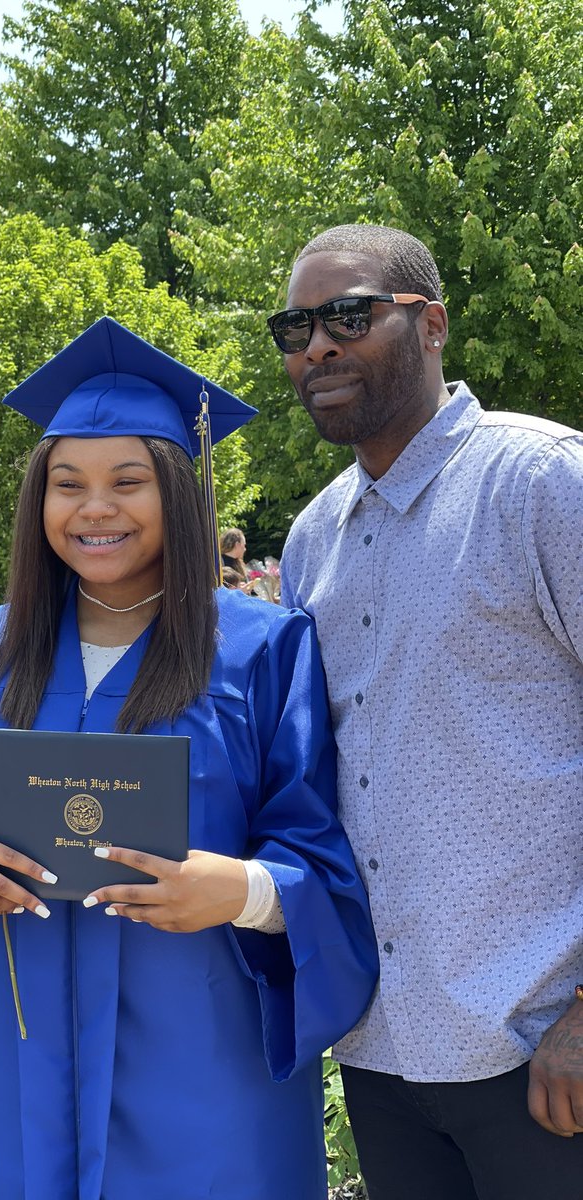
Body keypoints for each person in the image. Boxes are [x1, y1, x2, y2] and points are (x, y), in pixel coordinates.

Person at [0, 316, 378, 1200]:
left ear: (180, 496)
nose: (94, 508)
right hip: (27, 1045)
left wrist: (246, 890)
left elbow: (317, 851)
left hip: (205, 1049)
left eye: (128, 481)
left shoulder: (261, 649)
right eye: (66, 483)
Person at [269, 224, 583, 1199]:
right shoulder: (314, 542)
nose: (317, 345)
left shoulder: (541, 483)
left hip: (539, 1046)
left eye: (350, 315)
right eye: (296, 326)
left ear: (432, 323)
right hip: (382, 1047)